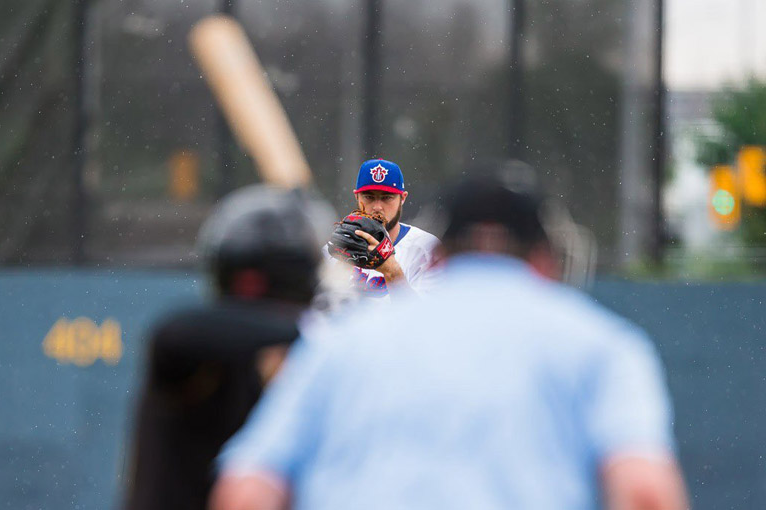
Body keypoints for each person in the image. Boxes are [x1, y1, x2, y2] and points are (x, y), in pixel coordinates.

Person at [210, 174, 689, 510]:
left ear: (437, 258)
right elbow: (645, 492)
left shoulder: (342, 344)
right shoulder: (603, 345)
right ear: (545, 260)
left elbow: (247, 492)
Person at [123, 185, 329, 510]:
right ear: (251, 283)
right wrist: (314, 329)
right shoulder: (200, 356)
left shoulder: (295, 363)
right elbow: (175, 335)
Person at [323, 158, 440, 301]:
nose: (377, 207)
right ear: (357, 196)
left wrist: (392, 272)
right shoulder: (335, 249)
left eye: (387, 197)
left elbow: (430, 318)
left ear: (402, 198)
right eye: (369, 197)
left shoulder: (427, 249)